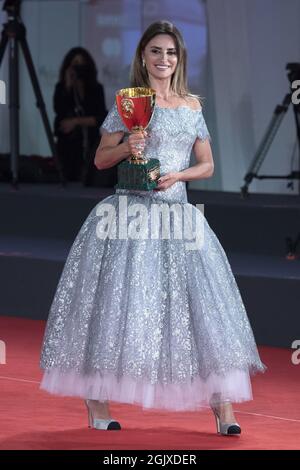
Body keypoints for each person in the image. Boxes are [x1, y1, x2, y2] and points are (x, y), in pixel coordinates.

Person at [40, 21, 266, 435]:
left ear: (179, 59)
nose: (164, 59)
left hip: (177, 216)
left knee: (202, 313)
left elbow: (208, 164)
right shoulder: (129, 101)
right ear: (142, 56)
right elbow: (101, 160)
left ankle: (225, 409)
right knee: (111, 311)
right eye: (156, 52)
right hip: (128, 217)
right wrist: (128, 146)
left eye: (171, 53)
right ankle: (96, 402)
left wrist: (178, 176)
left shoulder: (192, 106)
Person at [54, 47, 107, 183]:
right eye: (75, 63)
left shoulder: (96, 89)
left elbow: (100, 118)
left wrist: (76, 121)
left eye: (81, 63)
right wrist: (68, 86)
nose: (78, 67)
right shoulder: (61, 88)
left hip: (91, 144)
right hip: (68, 148)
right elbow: (61, 115)